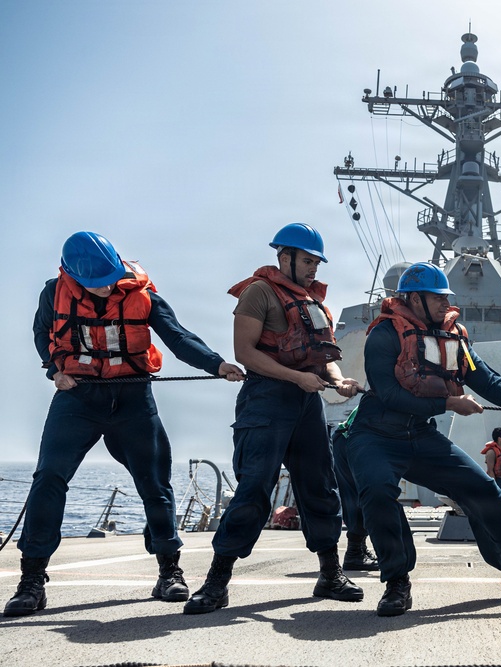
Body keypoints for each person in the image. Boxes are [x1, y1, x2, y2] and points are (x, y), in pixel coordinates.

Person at [4, 232, 245, 618]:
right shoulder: (53, 293)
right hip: (77, 397)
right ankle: (31, 581)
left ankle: (169, 571)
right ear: (71, 275)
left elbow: (178, 337)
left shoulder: (143, 294)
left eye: (107, 280)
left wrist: (216, 364)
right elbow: (41, 334)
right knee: (48, 477)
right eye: (93, 283)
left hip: (132, 398)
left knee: (155, 482)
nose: (102, 288)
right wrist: (54, 372)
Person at [345, 262, 501, 616]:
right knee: (377, 493)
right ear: (413, 299)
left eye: (444, 297)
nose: (445, 303)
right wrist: (448, 403)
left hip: (419, 434)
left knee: (482, 487)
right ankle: (396, 582)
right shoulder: (384, 335)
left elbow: (490, 383)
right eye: (437, 298)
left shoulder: (453, 337)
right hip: (374, 435)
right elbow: (388, 394)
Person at [184, 222, 364, 614]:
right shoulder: (259, 293)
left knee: (320, 488)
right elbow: (246, 352)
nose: (314, 268)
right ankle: (217, 583)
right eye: (308, 260)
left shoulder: (314, 303)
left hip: (306, 405)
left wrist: (339, 380)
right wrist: (297, 377)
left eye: (317, 261)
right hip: (266, 400)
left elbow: (324, 358)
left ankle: (329, 574)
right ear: (285, 257)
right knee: (253, 489)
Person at [330, 409, 378, 571]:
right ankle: (354, 554)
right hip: (349, 441)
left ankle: (360, 549)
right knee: (360, 497)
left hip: (349, 440)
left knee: (360, 496)